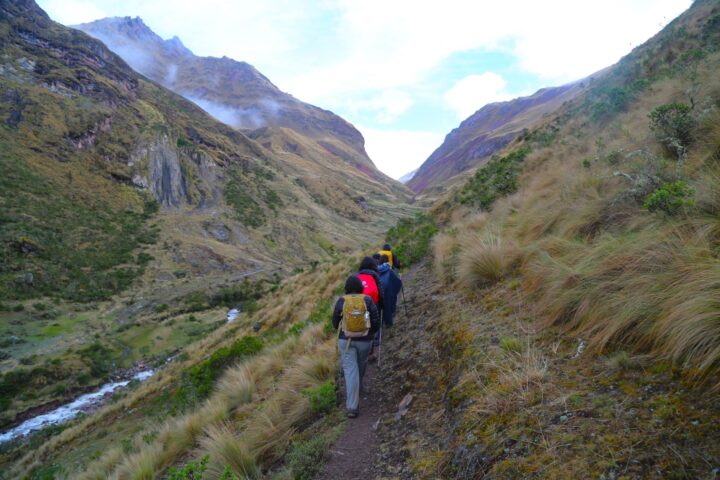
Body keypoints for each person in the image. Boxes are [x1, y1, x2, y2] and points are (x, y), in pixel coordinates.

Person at [332, 275, 380, 418]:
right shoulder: (367, 300)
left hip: (346, 341)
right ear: (361, 287)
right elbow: (376, 321)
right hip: (365, 341)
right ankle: (359, 388)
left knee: (350, 370)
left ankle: (352, 407)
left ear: (346, 288)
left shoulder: (342, 301)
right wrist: (369, 334)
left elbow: (335, 323)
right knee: (360, 364)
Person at [378, 254, 402, 328]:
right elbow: (397, 283)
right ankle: (389, 322)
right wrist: (400, 279)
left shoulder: (376, 270)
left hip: (378, 293)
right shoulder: (390, 270)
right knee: (389, 300)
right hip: (388, 294)